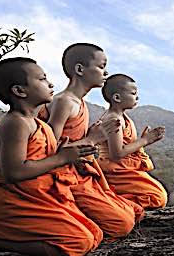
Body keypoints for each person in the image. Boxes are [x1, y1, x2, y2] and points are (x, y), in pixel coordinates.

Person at [0, 57, 103, 256]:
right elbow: (13, 171)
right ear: (20, 91)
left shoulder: (40, 125)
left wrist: (69, 154)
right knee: (78, 242)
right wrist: (61, 158)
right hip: (11, 202)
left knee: (93, 233)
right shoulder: (15, 123)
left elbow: (44, 159)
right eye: (42, 79)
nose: (50, 84)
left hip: (37, 197)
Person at [40, 43, 143, 237]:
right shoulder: (65, 102)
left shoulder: (80, 103)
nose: (106, 72)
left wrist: (93, 139)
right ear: (80, 69)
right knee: (121, 223)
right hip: (62, 176)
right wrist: (92, 138)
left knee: (133, 213)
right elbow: (49, 149)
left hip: (81, 172)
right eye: (101, 66)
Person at [97, 73, 168, 210]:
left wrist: (143, 142)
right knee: (157, 197)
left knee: (159, 196)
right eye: (133, 93)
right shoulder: (113, 120)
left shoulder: (122, 117)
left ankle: (116, 200)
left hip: (125, 168)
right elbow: (116, 154)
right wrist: (145, 140)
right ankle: (116, 204)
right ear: (117, 97)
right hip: (116, 171)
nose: (137, 97)